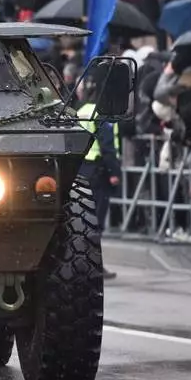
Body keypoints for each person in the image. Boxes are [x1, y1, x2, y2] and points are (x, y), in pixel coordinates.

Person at [77, 76, 121, 280]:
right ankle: (95, 266)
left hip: (82, 170)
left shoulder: (81, 111)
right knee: (97, 222)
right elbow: (107, 146)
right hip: (99, 171)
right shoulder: (101, 113)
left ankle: (82, 264)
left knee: (84, 221)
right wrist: (114, 173)